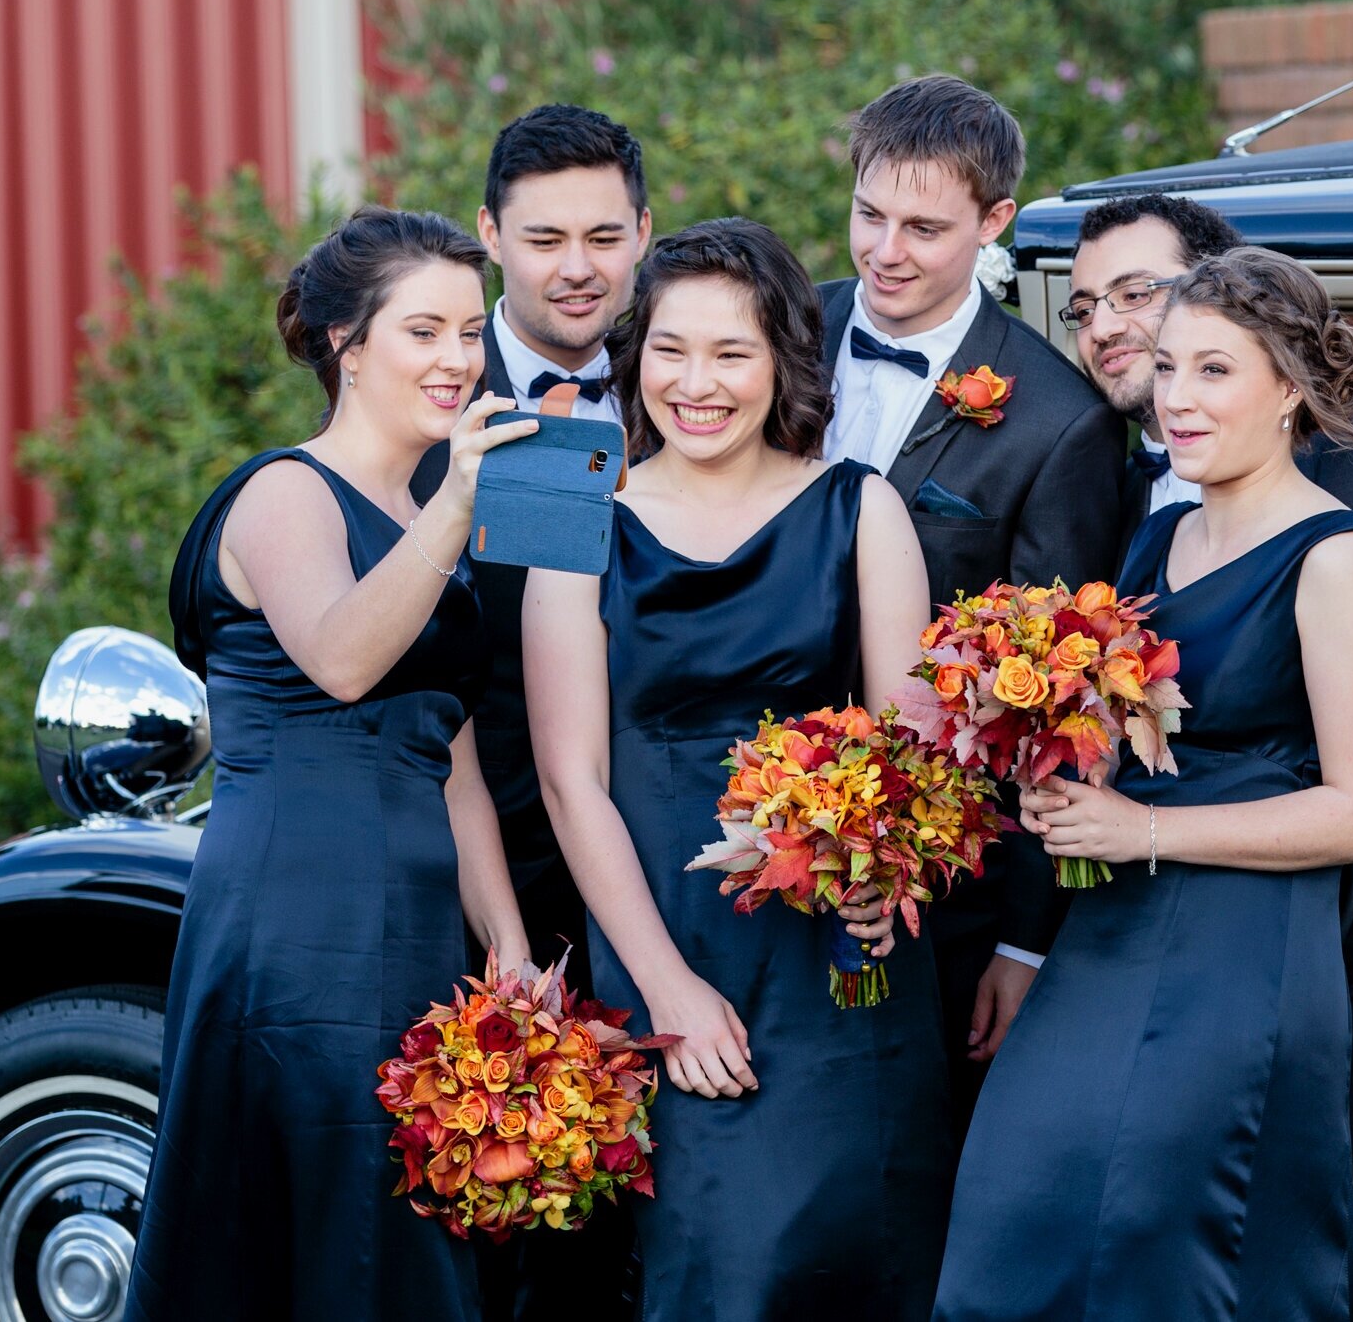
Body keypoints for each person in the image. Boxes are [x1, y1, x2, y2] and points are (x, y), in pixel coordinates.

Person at [935, 247, 1353, 1321]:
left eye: (1213, 371)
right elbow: (1139, 739)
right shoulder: (1160, 535)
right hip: (1113, 926)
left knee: (1166, 1241)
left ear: (1288, 385)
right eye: (1166, 370)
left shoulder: (1336, 561)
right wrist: (1040, 744)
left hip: (1238, 954)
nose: (1174, 399)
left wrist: (1138, 832)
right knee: (1017, 1206)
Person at [1066, 193, 1353, 1322]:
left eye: (1138, 295)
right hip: (1173, 927)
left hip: (1346, 929)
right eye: (1089, 307)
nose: (1113, 330)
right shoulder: (1146, 505)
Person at [526, 218, 953, 1321]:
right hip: (664, 938)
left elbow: (904, 752)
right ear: (634, 359)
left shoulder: (863, 509)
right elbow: (572, 780)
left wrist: (882, 870)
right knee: (712, 1266)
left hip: (835, 958)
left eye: (732, 353)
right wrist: (664, 990)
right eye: (670, 350)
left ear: (783, 364)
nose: (696, 383)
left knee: (862, 1253)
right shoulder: (576, 513)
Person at [124, 207, 534, 1321]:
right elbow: (347, 660)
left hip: (411, 928)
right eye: (423, 332)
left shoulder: (422, 514)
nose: (457, 359)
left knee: (396, 1236)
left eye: (467, 332)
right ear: (348, 343)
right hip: (296, 920)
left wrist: (501, 939)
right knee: (313, 1227)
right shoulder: (284, 494)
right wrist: (454, 506)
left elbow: (446, 746)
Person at [819, 75, 1133, 1127]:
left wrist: (1021, 938)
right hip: (748, 825)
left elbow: (1063, 715)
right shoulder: (774, 341)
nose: (884, 251)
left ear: (995, 221)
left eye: (923, 226)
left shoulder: (1058, 422)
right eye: (868, 214)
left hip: (943, 877)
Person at [412, 103, 651, 1001]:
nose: (579, 269)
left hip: (681, 864)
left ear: (643, 233)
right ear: (490, 234)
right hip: (492, 883)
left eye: (603, 236)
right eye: (545, 239)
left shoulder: (692, 380)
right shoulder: (429, 409)